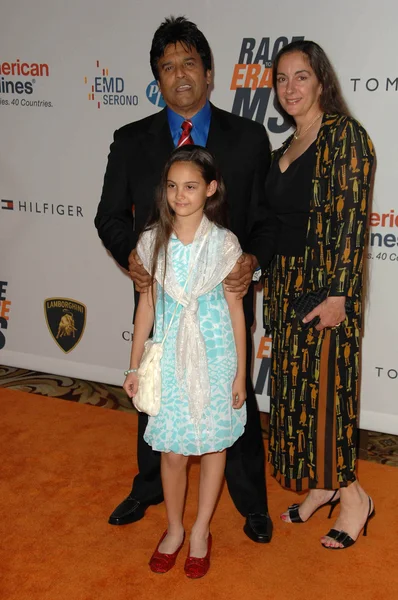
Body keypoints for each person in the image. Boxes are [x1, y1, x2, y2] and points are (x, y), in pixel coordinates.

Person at [95, 16, 274, 543]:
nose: (180, 75)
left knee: (234, 400)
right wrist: (133, 255)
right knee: (156, 392)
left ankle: (250, 502)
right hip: (162, 297)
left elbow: (264, 220)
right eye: (167, 67)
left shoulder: (247, 137)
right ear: (158, 78)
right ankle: (149, 488)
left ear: (209, 71)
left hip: (226, 298)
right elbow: (109, 215)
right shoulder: (131, 140)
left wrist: (251, 262)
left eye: (189, 63)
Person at [263, 40, 375, 549]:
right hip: (286, 288)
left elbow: (351, 223)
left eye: (301, 76)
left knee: (327, 396)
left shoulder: (344, 136)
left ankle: (353, 498)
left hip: (325, 289)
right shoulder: (282, 148)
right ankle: (322, 485)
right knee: (297, 398)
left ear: (321, 80)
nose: (291, 87)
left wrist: (338, 295)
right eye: (282, 78)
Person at [123, 145, 247, 577]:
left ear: (210, 189)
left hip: (216, 356)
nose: (180, 195)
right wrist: (134, 365)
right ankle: (174, 528)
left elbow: (237, 312)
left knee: (214, 446)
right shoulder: (151, 241)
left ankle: (200, 531)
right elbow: (146, 308)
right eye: (173, 186)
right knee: (172, 452)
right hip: (170, 356)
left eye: (191, 186)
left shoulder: (225, 244)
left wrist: (241, 375)